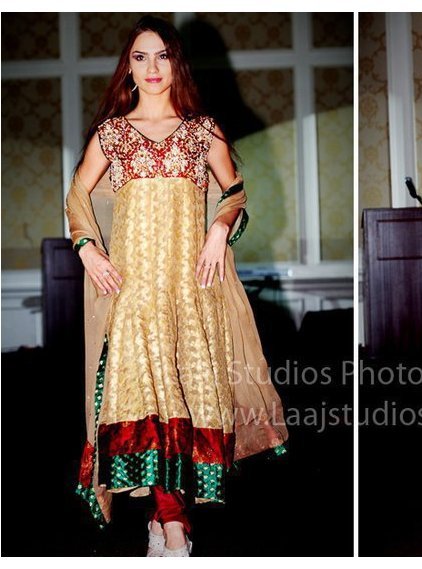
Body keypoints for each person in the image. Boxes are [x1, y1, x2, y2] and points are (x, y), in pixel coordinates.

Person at [65, 16, 288, 556]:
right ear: (128, 67)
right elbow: (77, 196)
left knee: (184, 405)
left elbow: (234, 193)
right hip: (135, 293)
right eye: (140, 57)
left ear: (176, 63)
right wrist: (87, 247)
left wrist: (218, 230)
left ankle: (166, 521)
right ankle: (172, 525)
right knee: (149, 401)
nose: (152, 67)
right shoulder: (112, 134)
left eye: (162, 55)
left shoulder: (202, 130)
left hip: (191, 291)